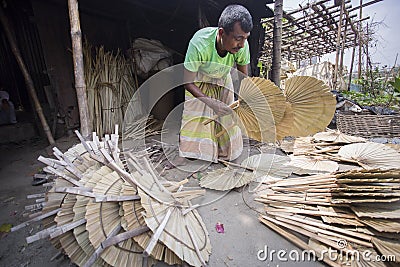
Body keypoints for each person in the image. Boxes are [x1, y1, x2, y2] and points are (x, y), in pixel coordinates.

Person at [175, 4, 253, 167]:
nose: (242, 44)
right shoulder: (199, 43)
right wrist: (210, 102)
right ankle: (185, 153)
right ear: (221, 33)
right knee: (193, 115)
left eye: (245, 38)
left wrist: (244, 100)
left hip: (223, 77)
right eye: (238, 38)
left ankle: (227, 153)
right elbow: (187, 82)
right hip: (199, 78)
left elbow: (243, 78)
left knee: (229, 113)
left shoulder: (242, 47)